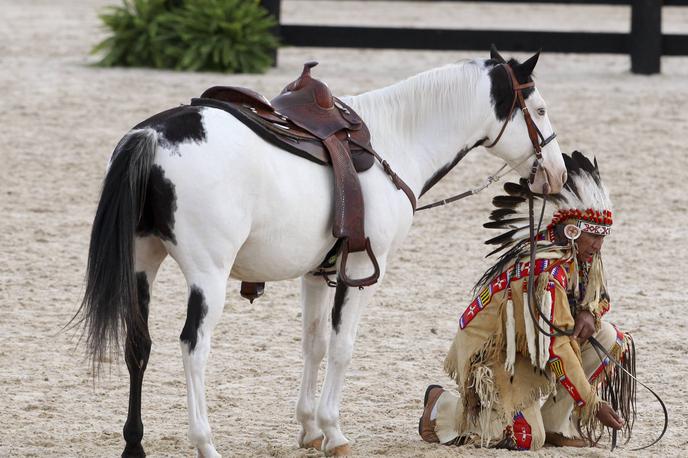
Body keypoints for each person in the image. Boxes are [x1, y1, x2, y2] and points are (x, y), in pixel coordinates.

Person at [419, 152, 636, 450]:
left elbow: (597, 296)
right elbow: (557, 348)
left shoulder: (577, 257)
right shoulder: (543, 274)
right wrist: (591, 402)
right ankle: (442, 409)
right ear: (571, 230)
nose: (599, 246)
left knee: (609, 337)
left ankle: (556, 424)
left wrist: (588, 312)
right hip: (495, 355)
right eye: (593, 236)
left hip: (530, 350)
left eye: (603, 237)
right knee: (525, 438)